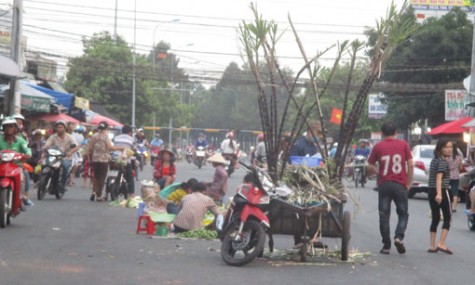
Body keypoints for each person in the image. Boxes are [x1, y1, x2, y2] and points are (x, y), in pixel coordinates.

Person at [367, 122, 413, 255]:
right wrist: (408, 183)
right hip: (400, 185)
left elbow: (369, 166)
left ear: (382, 133)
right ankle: (398, 237)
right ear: (396, 132)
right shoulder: (403, 144)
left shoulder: (378, 146)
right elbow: (410, 165)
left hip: (384, 185)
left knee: (384, 216)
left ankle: (386, 246)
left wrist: (379, 172)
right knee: (403, 214)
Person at [427, 138, 453, 254]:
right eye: (446, 147)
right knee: (448, 217)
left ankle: (432, 246)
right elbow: (439, 178)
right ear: (440, 148)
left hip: (430, 190)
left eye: (451, 147)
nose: (449, 150)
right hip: (441, 190)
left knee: (435, 218)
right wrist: (439, 194)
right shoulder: (442, 161)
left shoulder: (434, 160)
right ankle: (441, 243)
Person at [0, 117, 32, 207]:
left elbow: (26, 149)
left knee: (22, 177)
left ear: (15, 128)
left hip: (16, 166)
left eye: (11, 126)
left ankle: (21, 199)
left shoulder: (20, 140)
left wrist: (28, 154)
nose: (8, 128)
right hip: (1, 165)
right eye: (6, 126)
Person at [88, 121, 123, 202]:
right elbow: (111, 148)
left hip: (95, 159)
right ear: (106, 128)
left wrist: (91, 157)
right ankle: (99, 195)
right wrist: (120, 148)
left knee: (96, 177)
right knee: (102, 178)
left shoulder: (94, 136)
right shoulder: (106, 137)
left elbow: (90, 148)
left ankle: (93, 193)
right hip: (104, 160)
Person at [43, 120, 79, 193]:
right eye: (58, 127)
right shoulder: (53, 137)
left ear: (64, 128)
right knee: (45, 165)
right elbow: (47, 145)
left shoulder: (69, 137)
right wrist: (45, 148)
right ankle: (44, 180)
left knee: (65, 167)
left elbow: (76, 146)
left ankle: (63, 185)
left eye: (61, 127)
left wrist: (70, 152)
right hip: (54, 157)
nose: (59, 129)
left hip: (65, 157)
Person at [113, 125, 136, 198]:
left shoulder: (116, 138)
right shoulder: (132, 139)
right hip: (124, 159)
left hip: (115, 158)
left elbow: (113, 146)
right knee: (130, 178)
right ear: (129, 132)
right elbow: (133, 150)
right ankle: (131, 194)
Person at [446, 142, 463, 213]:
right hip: (455, 176)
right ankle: (454, 207)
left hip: (446, 175)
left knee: (445, 190)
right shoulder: (459, 157)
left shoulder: (446, 156)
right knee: (455, 192)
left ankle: (445, 205)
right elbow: (460, 167)